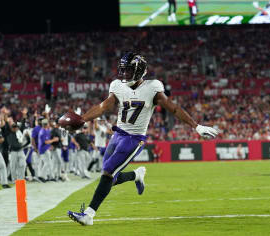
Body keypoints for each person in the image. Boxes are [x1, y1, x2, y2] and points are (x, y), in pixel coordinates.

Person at [67, 52, 219, 225]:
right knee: (109, 175)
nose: (124, 75)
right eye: (123, 70)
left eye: (129, 71)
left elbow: (174, 108)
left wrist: (196, 126)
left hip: (134, 138)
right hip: (118, 135)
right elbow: (103, 107)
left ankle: (88, 215)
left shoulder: (152, 88)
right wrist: (82, 119)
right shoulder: (117, 85)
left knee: (109, 170)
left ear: (139, 71)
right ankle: (136, 175)